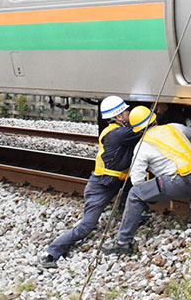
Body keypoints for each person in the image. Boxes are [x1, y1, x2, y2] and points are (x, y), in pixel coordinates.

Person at [38, 95, 143, 268]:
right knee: (86, 227)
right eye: (126, 111)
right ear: (118, 117)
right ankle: (51, 252)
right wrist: (159, 114)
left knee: (131, 190)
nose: (129, 113)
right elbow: (143, 130)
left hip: (115, 182)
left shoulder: (118, 131)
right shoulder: (117, 134)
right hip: (100, 186)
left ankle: (134, 215)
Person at [102, 106, 191, 255]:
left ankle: (123, 242)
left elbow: (137, 182)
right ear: (154, 119)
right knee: (182, 166)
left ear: (136, 129)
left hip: (186, 183)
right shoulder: (174, 128)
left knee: (135, 194)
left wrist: (154, 185)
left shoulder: (142, 147)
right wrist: (190, 120)